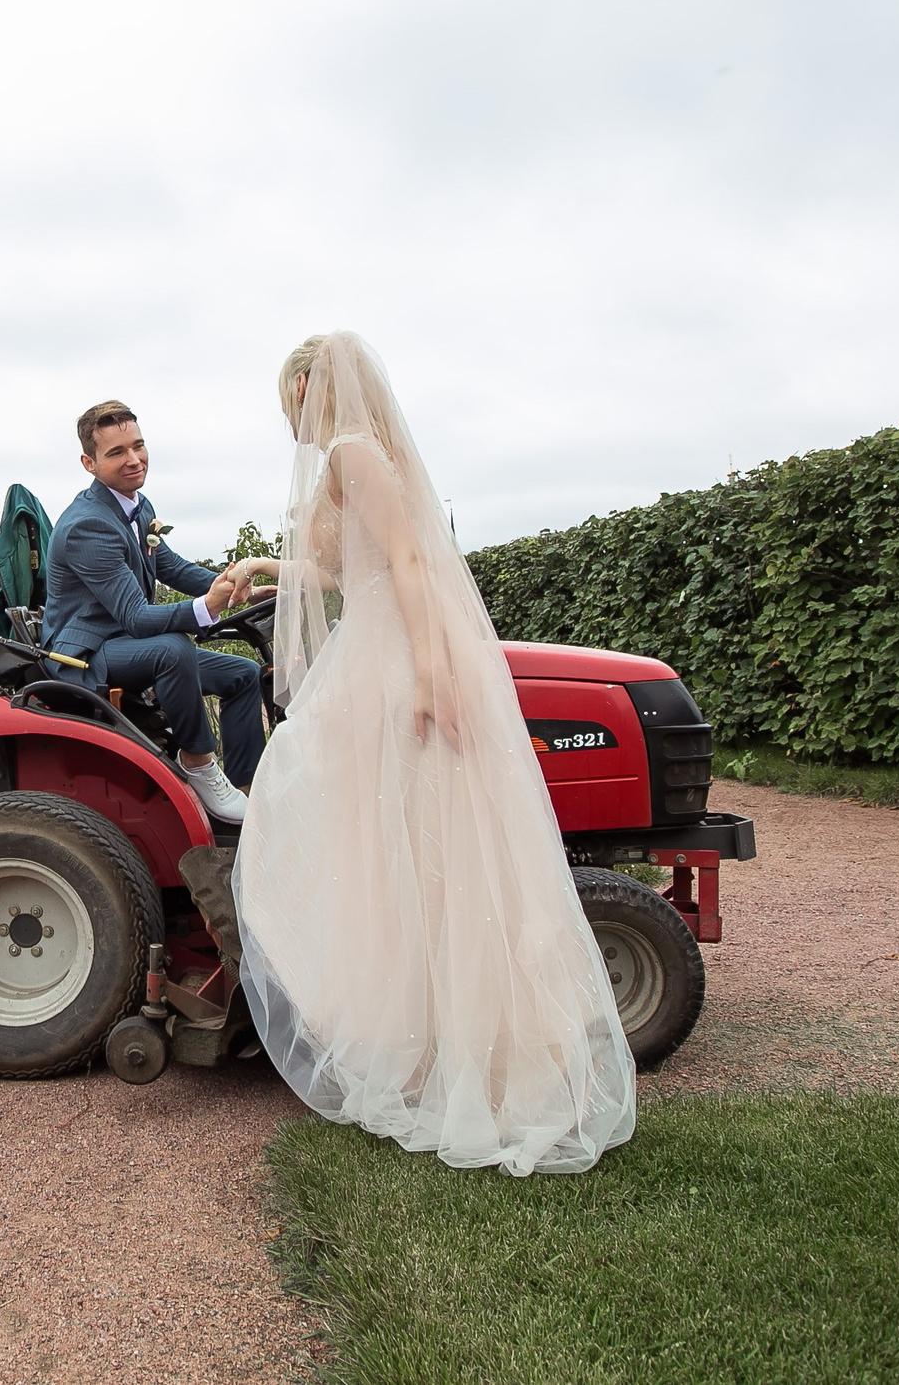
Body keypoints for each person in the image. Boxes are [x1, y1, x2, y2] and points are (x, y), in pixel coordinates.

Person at [224, 333, 635, 1175]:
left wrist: (429, 669)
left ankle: (446, 1046)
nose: (286, 416)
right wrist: (269, 563)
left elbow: (411, 560)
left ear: (307, 386)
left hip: (390, 657)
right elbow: (354, 568)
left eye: (286, 396)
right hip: (375, 645)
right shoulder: (360, 454)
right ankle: (419, 1037)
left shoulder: (350, 449)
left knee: (384, 831)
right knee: (391, 841)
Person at [40, 400, 274, 822]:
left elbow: (172, 567)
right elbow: (134, 616)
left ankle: (246, 789)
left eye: (138, 446)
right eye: (116, 453)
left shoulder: (137, 506)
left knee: (242, 675)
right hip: (87, 653)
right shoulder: (86, 525)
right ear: (88, 463)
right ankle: (198, 762)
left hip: (127, 643)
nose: (134, 460)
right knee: (172, 648)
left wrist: (243, 589)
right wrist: (207, 607)